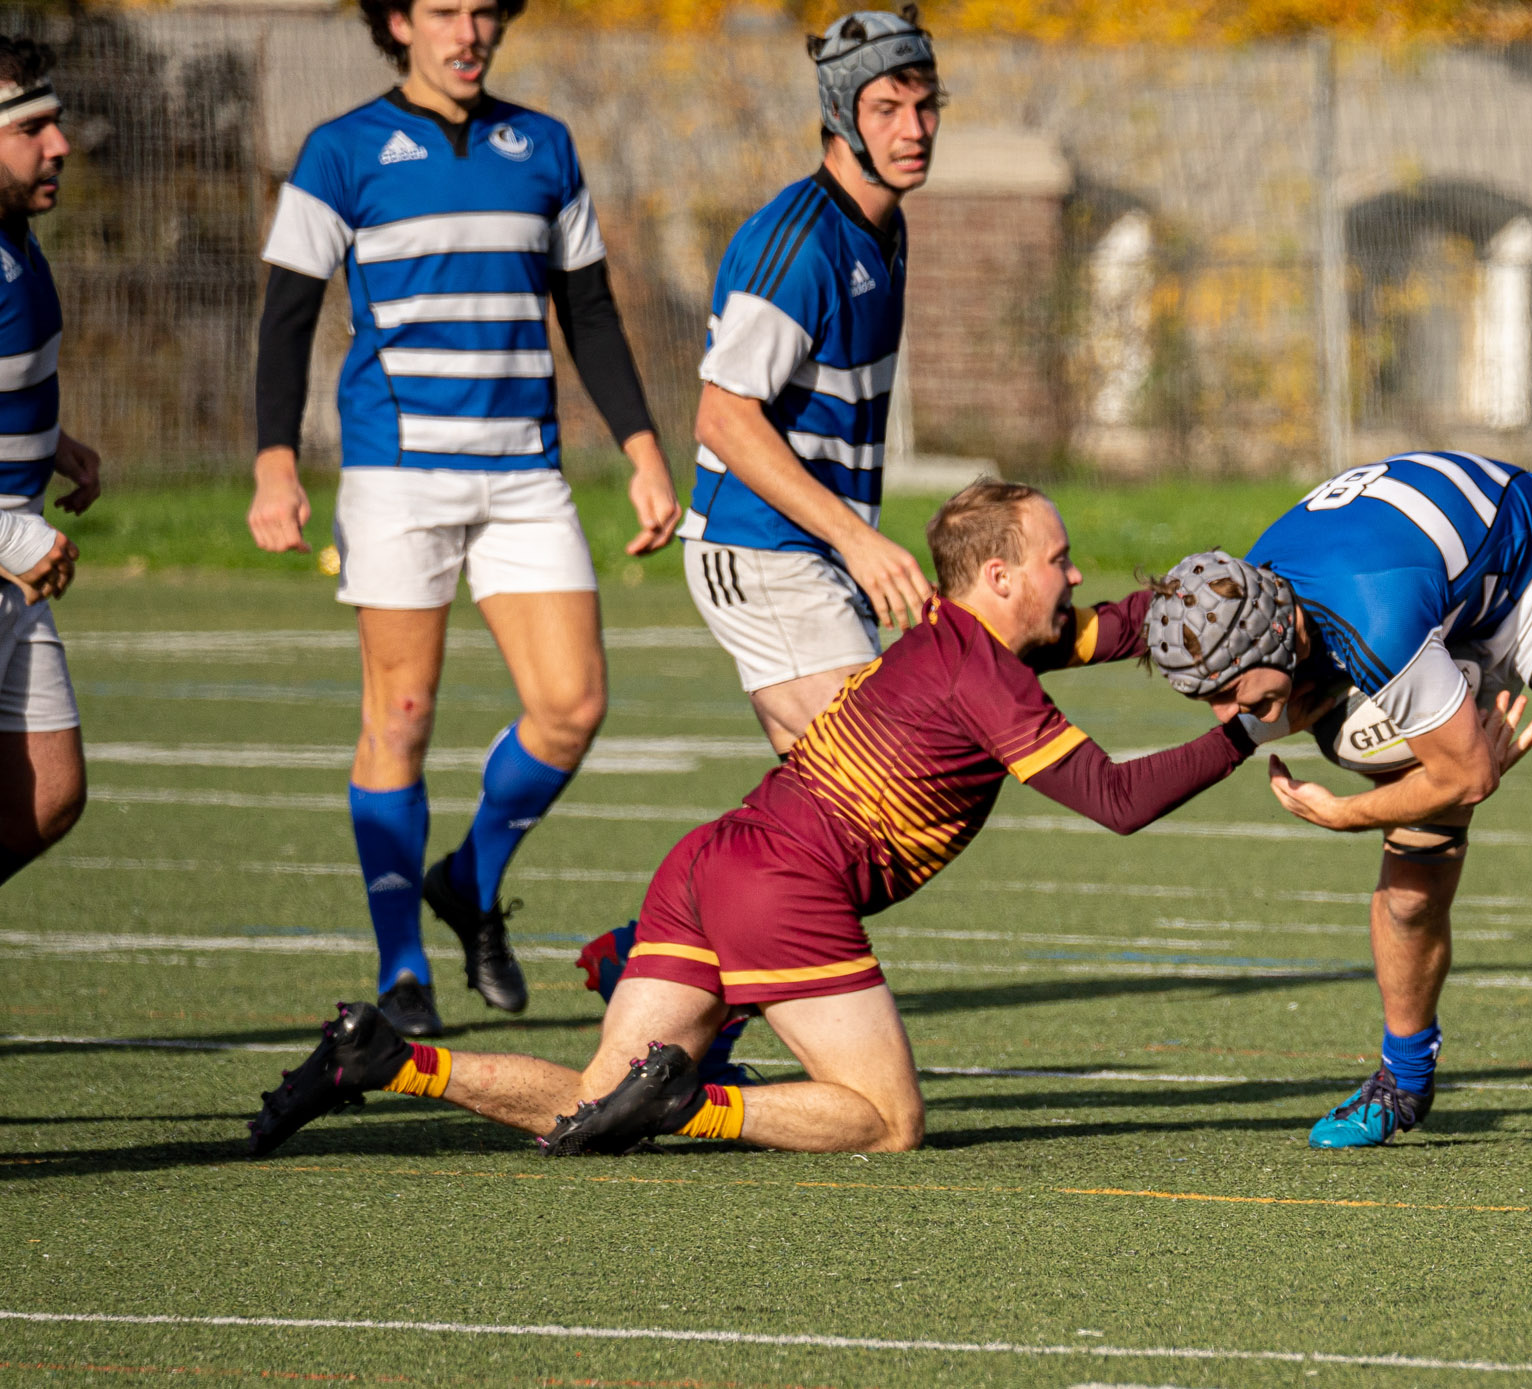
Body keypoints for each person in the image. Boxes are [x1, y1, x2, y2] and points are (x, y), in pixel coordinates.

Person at [248, 481, 1281, 1158]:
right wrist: (1244, 731)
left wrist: (1243, 598)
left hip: (709, 861)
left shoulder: (955, 639)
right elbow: (1116, 799)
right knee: (885, 1124)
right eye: (1060, 560)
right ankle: (693, 1103)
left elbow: (1115, 628)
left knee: (591, 1101)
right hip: (783, 890)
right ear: (1001, 577)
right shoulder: (993, 682)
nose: (1076, 575)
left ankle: (388, 1061)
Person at [246, 0, 680, 1037]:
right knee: (399, 718)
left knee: (571, 705)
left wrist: (641, 450)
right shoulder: (341, 150)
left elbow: (588, 311)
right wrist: (273, 465)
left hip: (524, 475)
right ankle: (404, 972)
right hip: (396, 476)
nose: (468, 30)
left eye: (485, 10)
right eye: (444, 10)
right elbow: (285, 316)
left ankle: (468, 879)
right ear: (397, 22)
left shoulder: (545, 147)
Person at [1146, 451, 1532, 1150]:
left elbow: (1469, 777)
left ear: (1276, 635)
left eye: (1228, 689)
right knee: (1413, 889)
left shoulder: (1371, 619)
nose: (1222, 713)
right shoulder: (1257, 604)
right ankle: (1403, 1081)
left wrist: (1342, 812)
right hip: (1441, 611)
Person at [680, 7, 940, 756]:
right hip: (761, 548)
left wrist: (851, 544)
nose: (914, 129)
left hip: (814, 551)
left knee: (826, 823)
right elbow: (722, 419)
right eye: (887, 109)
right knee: (888, 778)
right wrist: (858, 540)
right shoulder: (800, 246)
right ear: (839, 114)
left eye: (925, 106)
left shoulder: (884, 227)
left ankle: (721, 880)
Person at [0, 38, 97, 888]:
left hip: (13, 568)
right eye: (33, 127)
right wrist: (8, 533)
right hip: (4, 548)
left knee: (50, 791)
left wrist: (50, 441)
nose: (59, 144)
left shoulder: (17, 240)